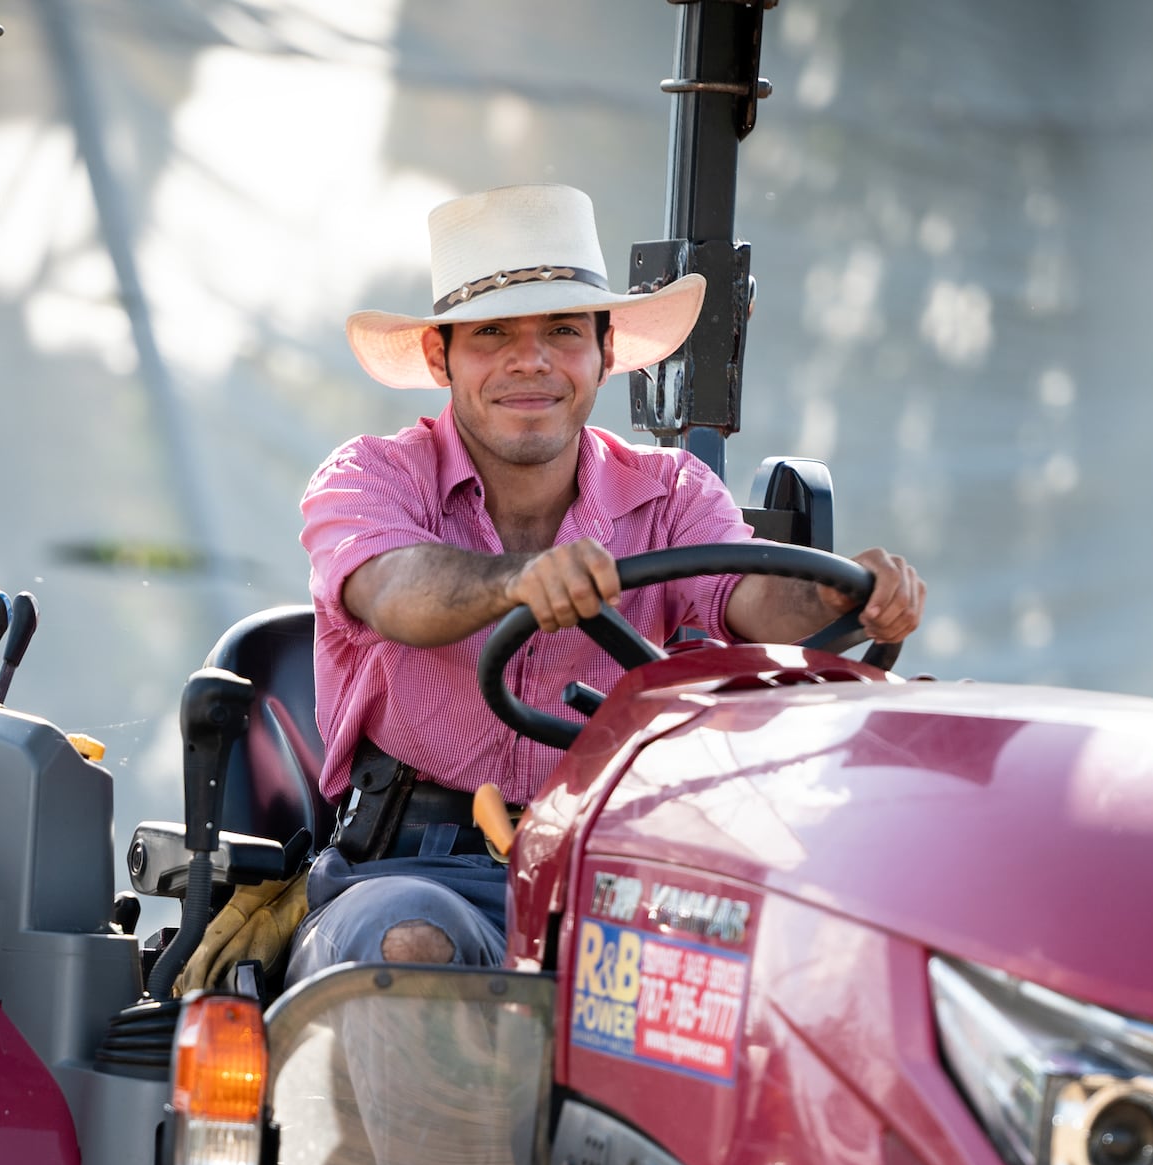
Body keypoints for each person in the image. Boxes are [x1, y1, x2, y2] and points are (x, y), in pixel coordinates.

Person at [285, 183, 924, 983]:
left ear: (604, 351)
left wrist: (844, 597)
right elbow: (396, 591)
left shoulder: (674, 492)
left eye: (561, 330)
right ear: (440, 356)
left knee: (784, 975)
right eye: (492, 334)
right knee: (415, 945)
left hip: (615, 869)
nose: (533, 360)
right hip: (409, 866)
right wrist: (521, 580)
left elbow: (753, 599)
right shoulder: (369, 478)